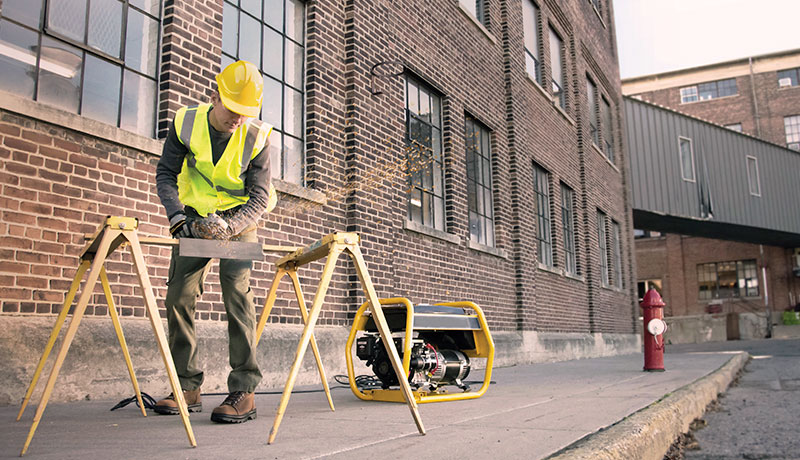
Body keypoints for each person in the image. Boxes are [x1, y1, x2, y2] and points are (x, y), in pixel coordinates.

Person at [153, 60, 277, 424]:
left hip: (239, 220)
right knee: (178, 295)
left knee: (237, 296)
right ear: (215, 96)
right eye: (232, 110)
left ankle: (244, 391)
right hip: (193, 218)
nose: (238, 119)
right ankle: (186, 387)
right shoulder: (185, 122)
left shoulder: (257, 136)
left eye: (244, 112)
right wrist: (178, 219)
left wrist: (232, 225)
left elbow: (259, 197)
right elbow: (166, 174)